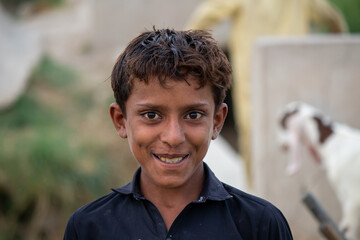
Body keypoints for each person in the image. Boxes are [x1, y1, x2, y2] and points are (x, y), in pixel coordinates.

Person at [63, 28, 293, 239]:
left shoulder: (260, 225)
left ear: (217, 121)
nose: (173, 137)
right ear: (121, 120)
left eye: (193, 115)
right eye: (151, 115)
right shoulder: (88, 228)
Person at [186, 0, 348, 186]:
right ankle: (291, 189)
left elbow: (205, 15)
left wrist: (186, 50)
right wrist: (340, 47)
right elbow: (331, 17)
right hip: (294, 73)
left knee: (252, 132)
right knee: (294, 133)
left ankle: (255, 188)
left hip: (253, 73)